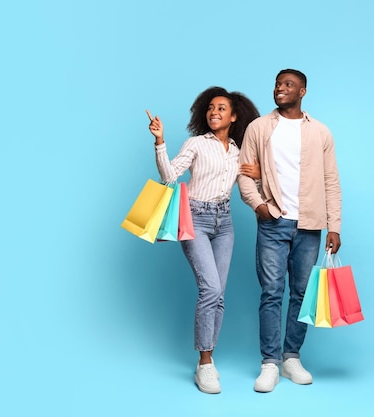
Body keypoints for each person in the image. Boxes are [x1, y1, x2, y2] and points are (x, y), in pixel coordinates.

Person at [146, 86, 260, 394]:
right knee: (209, 288)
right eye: (210, 107)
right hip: (195, 217)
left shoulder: (239, 151)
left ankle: (209, 357)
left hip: (225, 223)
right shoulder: (196, 143)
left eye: (222, 108)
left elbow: (252, 184)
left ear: (234, 117)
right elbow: (170, 175)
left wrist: (259, 173)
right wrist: (159, 141)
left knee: (218, 293)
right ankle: (205, 363)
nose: (214, 112)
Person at [237, 69, 342, 393]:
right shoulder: (259, 127)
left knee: (300, 294)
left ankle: (291, 358)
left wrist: (334, 226)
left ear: (303, 92)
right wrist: (259, 206)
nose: (280, 89)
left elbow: (331, 181)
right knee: (271, 293)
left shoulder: (320, 132)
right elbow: (244, 173)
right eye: (278, 84)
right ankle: (269, 362)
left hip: (310, 225)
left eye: (288, 85)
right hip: (273, 223)